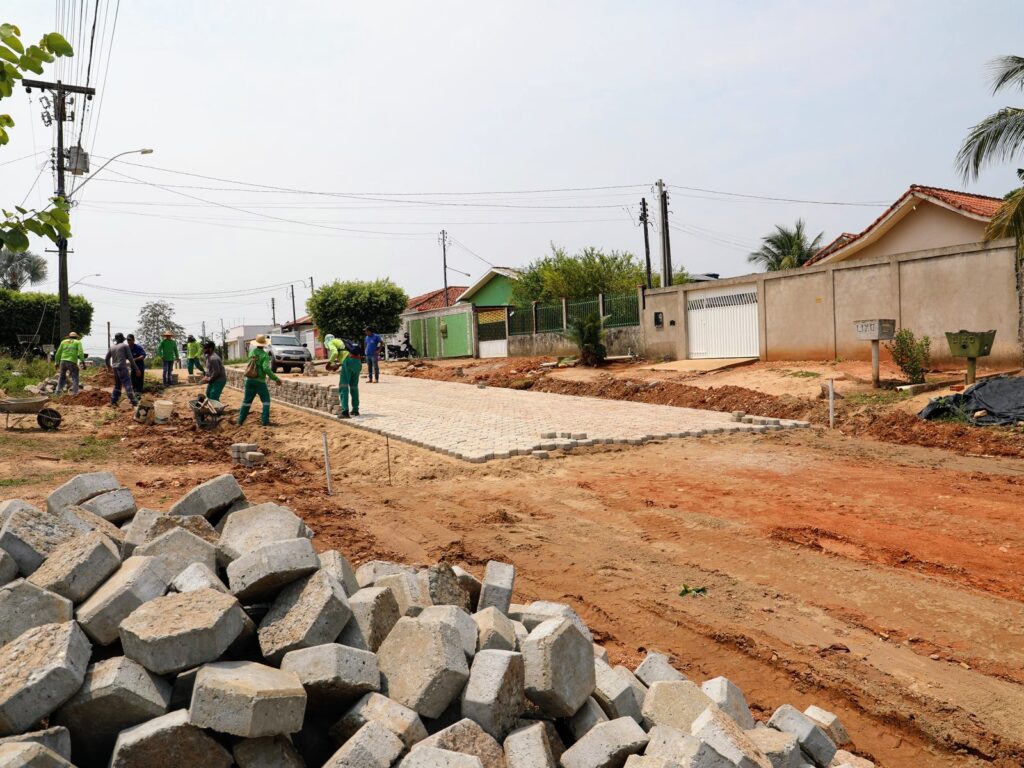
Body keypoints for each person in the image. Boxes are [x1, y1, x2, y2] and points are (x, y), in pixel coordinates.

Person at [237, 334, 281, 426]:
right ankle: (265, 421)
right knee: (266, 401)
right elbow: (266, 368)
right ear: (264, 344)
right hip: (260, 381)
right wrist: (276, 378)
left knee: (246, 401)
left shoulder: (252, 352)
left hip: (249, 380)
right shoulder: (264, 355)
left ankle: (240, 421)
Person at [324, 334, 362, 418]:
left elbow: (335, 352)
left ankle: (345, 412)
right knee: (354, 387)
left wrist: (329, 363)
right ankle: (355, 410)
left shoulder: (331, 342)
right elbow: (346, 354)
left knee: (343, 386)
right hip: (358, 362)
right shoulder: (342, 341)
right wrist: (338, 365)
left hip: (348, 362)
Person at [105, 332, 141, 407]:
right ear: (122, 339)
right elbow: (131, 359)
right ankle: (134, 401)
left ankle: (113, 401)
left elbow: (106, 359)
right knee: (127, 384)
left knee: (118, 385)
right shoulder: (125, 346)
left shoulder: (112, 347)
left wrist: (109, 366)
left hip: (115, 368)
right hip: (122, 367)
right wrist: (137, 369)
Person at [54, 331, 86, 396]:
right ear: (76, 337)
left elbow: (58, 353)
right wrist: (83, 362)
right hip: (72, 361)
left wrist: (56, 362)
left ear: (69, 337)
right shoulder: (78, 342)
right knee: (75, 377)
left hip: (62, 361)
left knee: (62, 377)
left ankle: (57, 392)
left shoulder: (63, 342)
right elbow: (81, 352)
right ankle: (75, 393)